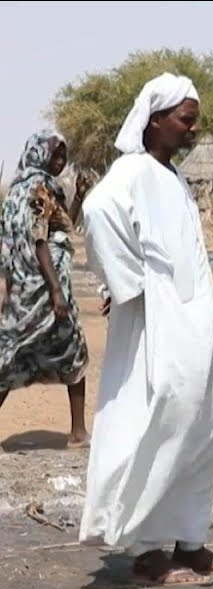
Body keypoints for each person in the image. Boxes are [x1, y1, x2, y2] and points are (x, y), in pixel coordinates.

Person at [78, 73, 213, 586]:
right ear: (155, 120)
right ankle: (148, 550)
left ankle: (190, 542)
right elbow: (97, 211)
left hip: (192, 316)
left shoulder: (169, 175)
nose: (193, 129)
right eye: (185, 120)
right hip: (159, 319)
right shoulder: (132, 170)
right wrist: (126, 284)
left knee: (207, 421)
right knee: (164, 417)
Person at [0, 130, 92, 447]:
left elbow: (62, 227)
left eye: (63, 155)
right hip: (43, 288)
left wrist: (78, 196)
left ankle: (78, 431)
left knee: (14, 356)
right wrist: (55, 291)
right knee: (71, 349)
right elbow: (41, 241)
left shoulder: (18, 191)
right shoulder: (39, 189)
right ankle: (78, 432)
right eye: (55, 154)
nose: (60, 160)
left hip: (21, 292)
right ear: (39, 154)